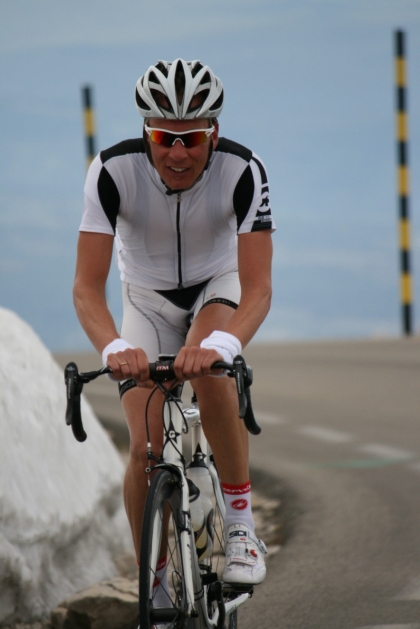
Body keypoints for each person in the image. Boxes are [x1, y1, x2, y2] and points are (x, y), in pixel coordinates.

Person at [73, 59, 275, 596]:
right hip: (146, 299)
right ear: (146, 132)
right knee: (144, 449)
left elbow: (258, 288)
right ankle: (153, 578)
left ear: (213, 131)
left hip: (217, 286)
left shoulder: (244, 170)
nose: (178, 153)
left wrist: (226, 344)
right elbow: (86, 288)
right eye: (164, 137)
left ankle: (239, 527)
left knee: (208, 368)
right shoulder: (111, 172)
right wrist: (114, 345)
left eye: (191, 138)